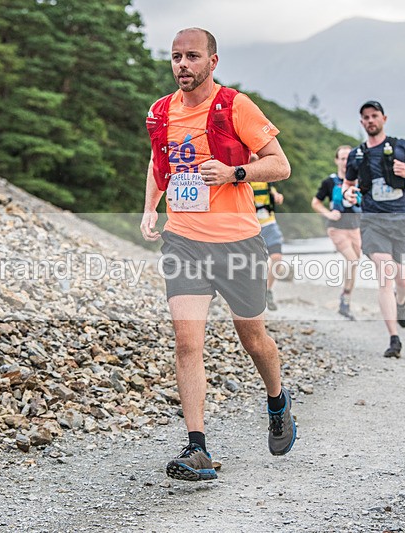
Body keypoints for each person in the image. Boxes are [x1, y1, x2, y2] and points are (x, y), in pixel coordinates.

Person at [140, 27, 297, 482]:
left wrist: (234, 172)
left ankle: (277, 400)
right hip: (184, 241)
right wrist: (150, 208)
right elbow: (158, 162)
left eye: (191, 56)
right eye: (175, 57)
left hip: (238, 242)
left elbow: (280, 165)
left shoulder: (236, 106)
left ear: (213, 61)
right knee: (187, 343)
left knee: (253, 340)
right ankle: (197, 448)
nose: (182, 65)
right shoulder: (161, 111)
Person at [342, 100, 405, 358]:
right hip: (372, 221)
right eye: (366, 117)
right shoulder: (357, 155)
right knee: (385, 272)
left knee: (402, 280)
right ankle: (394, 339)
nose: (370, 120)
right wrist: (348, 194)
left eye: (374, 116)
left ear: (384, 118)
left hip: (401, 220)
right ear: (361, 123)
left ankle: (401, 302)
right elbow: (347, 184)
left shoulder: (402, 147)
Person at [311, 145, 362, 319]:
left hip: (355, 228)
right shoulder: (330, 182)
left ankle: (345, 301)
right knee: (352, 260)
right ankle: (345, 300)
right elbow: (315, 202)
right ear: (337, 160)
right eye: (342, 158)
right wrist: (328, 214)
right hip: (337, 229)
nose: (346, 161)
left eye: (349, 158)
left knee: (355, 263)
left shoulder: (358, 181)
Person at [249, 153, 286, 311]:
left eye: (256, 159)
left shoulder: (267, 181)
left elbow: (275, 194)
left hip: (270, 224)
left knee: (277, 258)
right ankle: (254, 293)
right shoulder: (242, 180)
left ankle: (268, 290)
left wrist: (277, 197)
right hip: (251, 227)